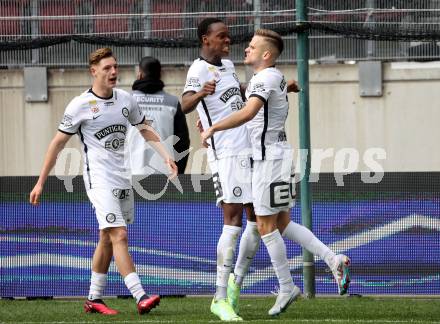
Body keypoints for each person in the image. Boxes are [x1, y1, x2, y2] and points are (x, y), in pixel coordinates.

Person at [201, 29, 351, 317]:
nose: (246, 49)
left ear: (266, 55)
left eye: (253, 46)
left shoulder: (266, 77)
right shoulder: (271, 77)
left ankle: (286, 286)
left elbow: (248, 112)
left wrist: (214, 127)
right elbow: (262, 102)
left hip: (269, 159)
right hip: (274, 157)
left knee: (265, 225)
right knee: (280, 223)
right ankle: (334, 259)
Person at [29, 48, 178, 315]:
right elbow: (57, 144)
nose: (113, 72)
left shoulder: (126, 100)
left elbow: (144, 128)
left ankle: (94, 298)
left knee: (106, 238)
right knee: (119, 234)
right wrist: (41, 182)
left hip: (122, 178)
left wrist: (166, 156)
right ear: (93, 71)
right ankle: (140, 295)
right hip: (98, 180)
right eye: (107, 68)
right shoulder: (79, 105)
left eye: (115, 67)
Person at [181, 17, 255, 322]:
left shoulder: (228, 65)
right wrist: (200, 95)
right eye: (222, 37)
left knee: (258, 218)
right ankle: (219, 296)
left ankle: (236, 282)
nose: (228, 41)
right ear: (205, 40)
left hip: (248, 148)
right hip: (225, 154)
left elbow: (232, 96)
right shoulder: (198, 70)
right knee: (233, 220)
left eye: (228, 37)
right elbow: (184, 104)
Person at [127, 56, 190, 175]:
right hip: (165, 175)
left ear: (139, 74)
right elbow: (182, 142)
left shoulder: (126, 101)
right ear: (160, 74)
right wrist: (178, 172)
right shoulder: (172, 103)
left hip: (130, 175)